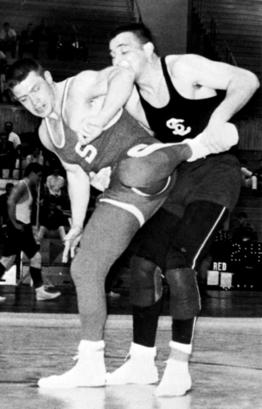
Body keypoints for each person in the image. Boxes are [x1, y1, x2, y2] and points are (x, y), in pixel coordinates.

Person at [5, 57, 238, 389]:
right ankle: (91, 364)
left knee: (132, 171)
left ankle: (194, 146)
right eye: (25, 99)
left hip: (155, 169)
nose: (35, 101)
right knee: (85, 268)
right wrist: (77, 224)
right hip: (123, 192)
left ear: (48, 77)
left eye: (36, 90)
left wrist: (100, 119)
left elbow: (124, 73)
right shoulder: (46, 132)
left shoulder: (80, 86)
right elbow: (75, 173)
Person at [104, 23, 260, 396]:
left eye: (123, 49)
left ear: (148, 50)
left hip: (216, 175)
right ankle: (141, 362)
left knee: (179, 261)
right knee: (142, 264)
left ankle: (178, 366)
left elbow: (248, 80)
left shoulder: (182, 69)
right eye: (111, 54)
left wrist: (218, 120)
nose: (117, 58)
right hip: (179, 176)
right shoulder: (132, 100)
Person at [0, 163, 61, 303]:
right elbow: (10, 202)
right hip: (18, 227)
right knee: (14, 259)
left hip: (24, 228)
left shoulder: (29, 187)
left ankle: (40, 290)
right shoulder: (22, 185)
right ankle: (39, 290)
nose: (40, 179)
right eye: (39, 176)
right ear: (32, 173)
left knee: (30, 258)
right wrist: (15, 223)